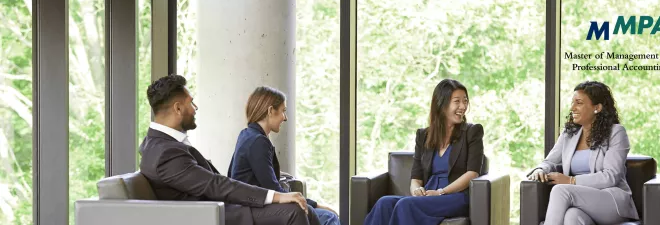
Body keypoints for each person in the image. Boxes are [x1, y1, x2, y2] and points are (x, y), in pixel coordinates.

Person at [139, 75, 320, 225]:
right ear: (178, 108)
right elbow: (216, 185)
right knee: (295, 210)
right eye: (191, 103)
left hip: (217, 209)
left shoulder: (158, 143)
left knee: (305, 210)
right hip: (213, 216)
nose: (195, 108)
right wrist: (277, 196)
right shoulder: (165, 153)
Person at [364, 79, 484, 225]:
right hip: (429, 195)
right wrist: (416, 191)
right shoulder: (423, 135)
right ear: (441, 104)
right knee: (384, 203)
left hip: (456, 196)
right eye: (457, 101)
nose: (463, 106)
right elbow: (416, 177)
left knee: (405, 205)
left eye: (465, 101)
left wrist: (441, 192)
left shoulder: (472, 132)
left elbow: (473, 173)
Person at [527, 81, 638, 225]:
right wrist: (540, 169)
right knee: (571, 217)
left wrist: (571, 181)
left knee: (561, 191)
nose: (572, 108)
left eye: (578, 103)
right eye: (572, 103)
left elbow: (611, 176)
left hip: (611, 201)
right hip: (580, 202)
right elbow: (550, 161)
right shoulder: (569, 134)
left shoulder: (616, 133)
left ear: (597, 108)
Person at [229, 86, 339, 225]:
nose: (285, 118)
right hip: (254, 210)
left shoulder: (246, 135)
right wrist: (315, 205)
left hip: (248, 207)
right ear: (270, 111)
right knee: (329, 217)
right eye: (283, 111)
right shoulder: (258, 141)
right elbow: (272, 188)